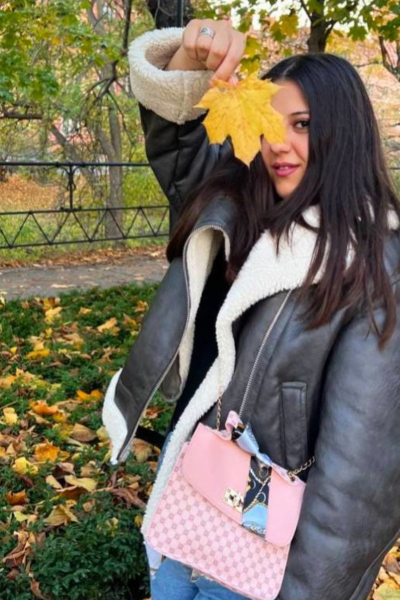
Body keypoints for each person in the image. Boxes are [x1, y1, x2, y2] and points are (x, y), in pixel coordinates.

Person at [102, 17, 400, 600]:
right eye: (267, 123)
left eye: (303, 124)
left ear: (345, 133)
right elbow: (178, 143)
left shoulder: (373, 264)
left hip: (264, 555)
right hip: (188, 494)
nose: (277, 143)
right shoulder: (240, 204)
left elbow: (358, 480)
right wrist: (190, 56)